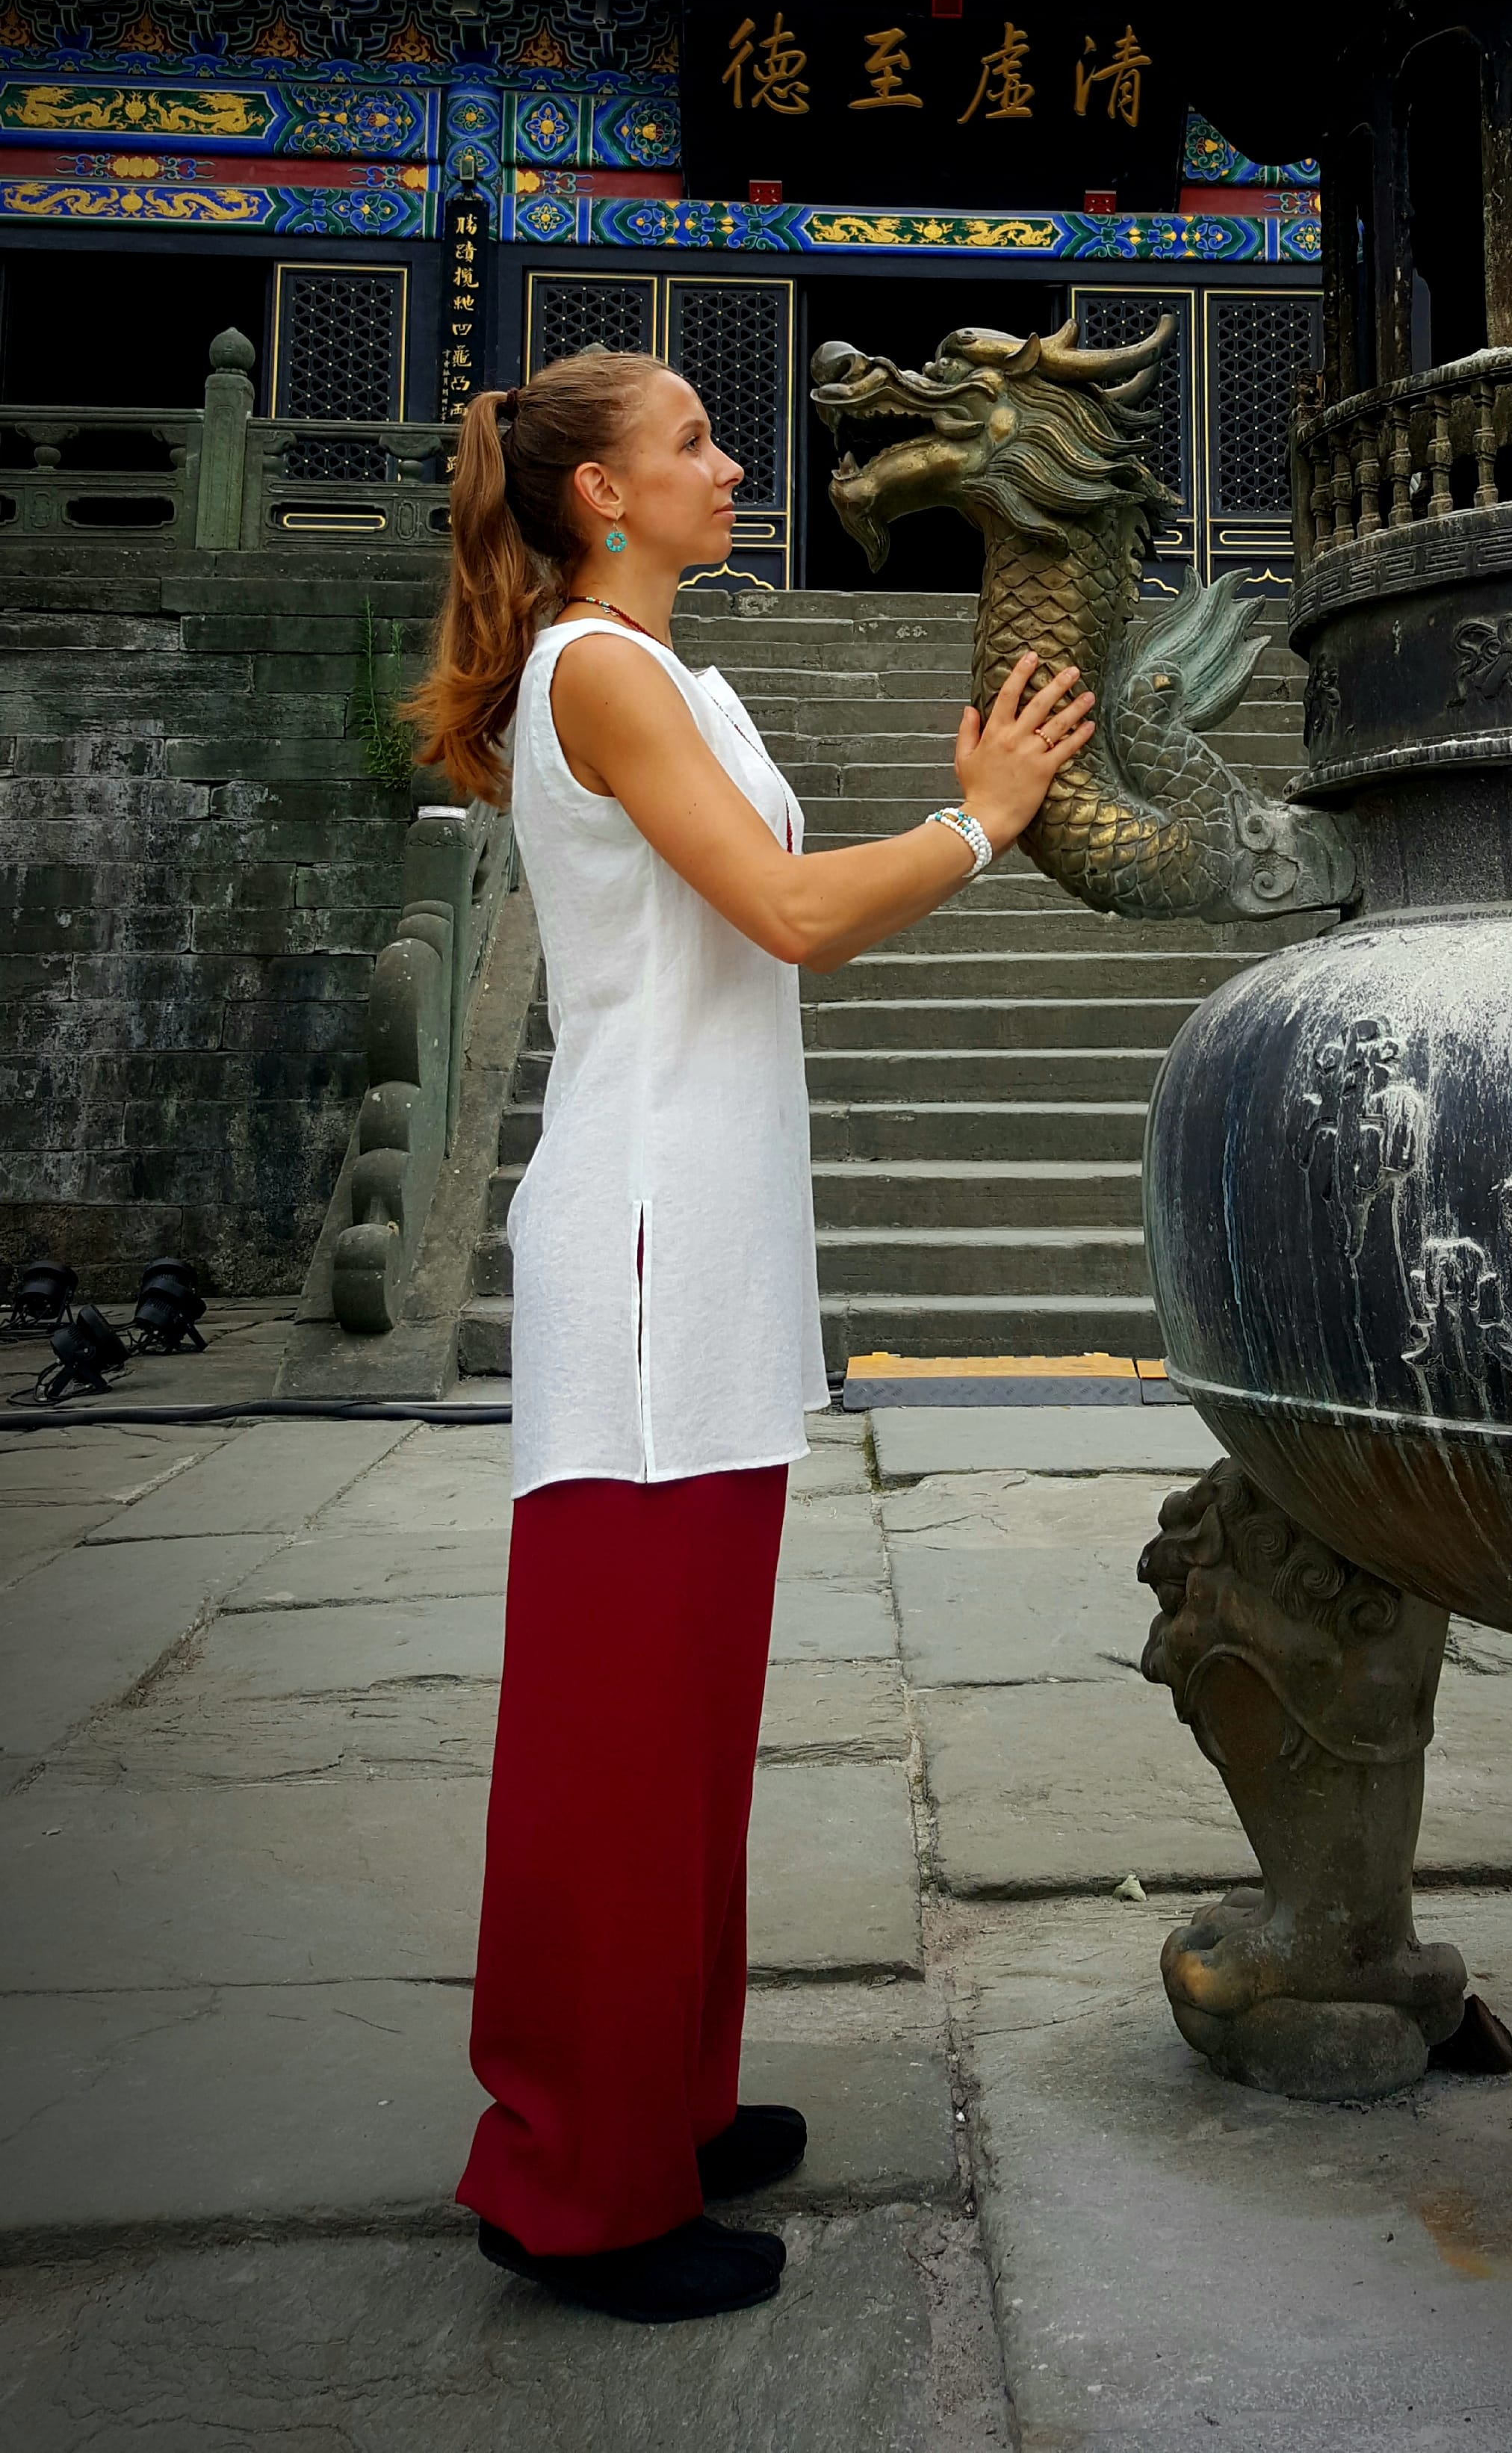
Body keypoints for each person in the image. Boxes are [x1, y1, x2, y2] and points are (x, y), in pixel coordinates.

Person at [409, 347, 1093, 2327]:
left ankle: (664, 2105)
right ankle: (571, 2180)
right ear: (600, 494)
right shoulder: (595, 668)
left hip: (708, 1247)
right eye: (694, 440)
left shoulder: (675, 674)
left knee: (687, 1725)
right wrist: (979, 821)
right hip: (638, 1250)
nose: (732, 462)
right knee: (614, 1740)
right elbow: (786, 913)